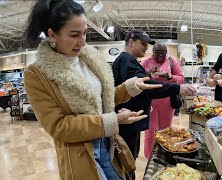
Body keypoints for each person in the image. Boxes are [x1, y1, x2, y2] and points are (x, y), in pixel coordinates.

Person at [23, 1, 163, 180]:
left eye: (84, 33)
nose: (82, 42)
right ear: (52, 34)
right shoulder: (37, 74)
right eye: (74, 35)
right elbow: (59, 127)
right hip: (80, 155)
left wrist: (129, 87)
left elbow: (101, 100)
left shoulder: (89, 60)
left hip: (108, 145)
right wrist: (111, 121)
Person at [112, 30, 196, 178]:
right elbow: (146, 86)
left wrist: (171, 80)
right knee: (127, 158)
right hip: (128, 120)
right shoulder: (127, 61)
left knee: (131, 155)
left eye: (147, 45)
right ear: (131, 42)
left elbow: (141, 84)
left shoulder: (129, 61)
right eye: (142, 43)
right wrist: (178, 88)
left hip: (134, 117)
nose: (146, 48)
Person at [140, 42, 184, 159]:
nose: (160, 56)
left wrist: (170, 77)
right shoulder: (145, 62)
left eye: (163, 53)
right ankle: (150, 157)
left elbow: (181, 79)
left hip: (167, 102)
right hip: (150, 102)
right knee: (150, 132)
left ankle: (164, 154)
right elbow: (137, 80)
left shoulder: (171, 61)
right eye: (157, 53)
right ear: (152, 52)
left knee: (165, 130)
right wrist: (149, 74)